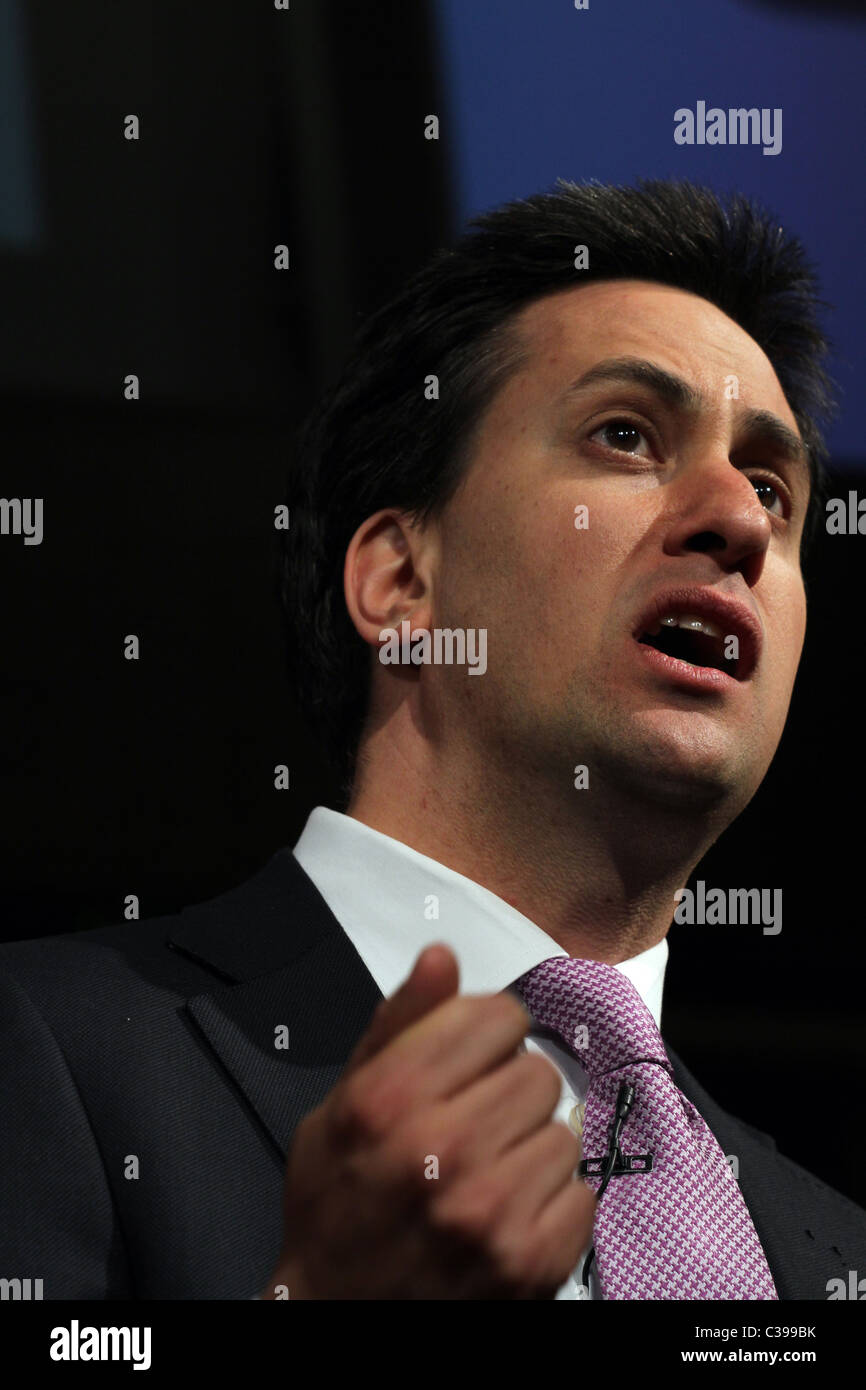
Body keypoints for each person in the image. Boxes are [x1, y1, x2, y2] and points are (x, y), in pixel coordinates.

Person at [2, 179, 863, 1301]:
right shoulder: (48, 1050)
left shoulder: (834, 1246)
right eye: (623, 434)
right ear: (401, 578)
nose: (740, 520)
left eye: (770, 486)